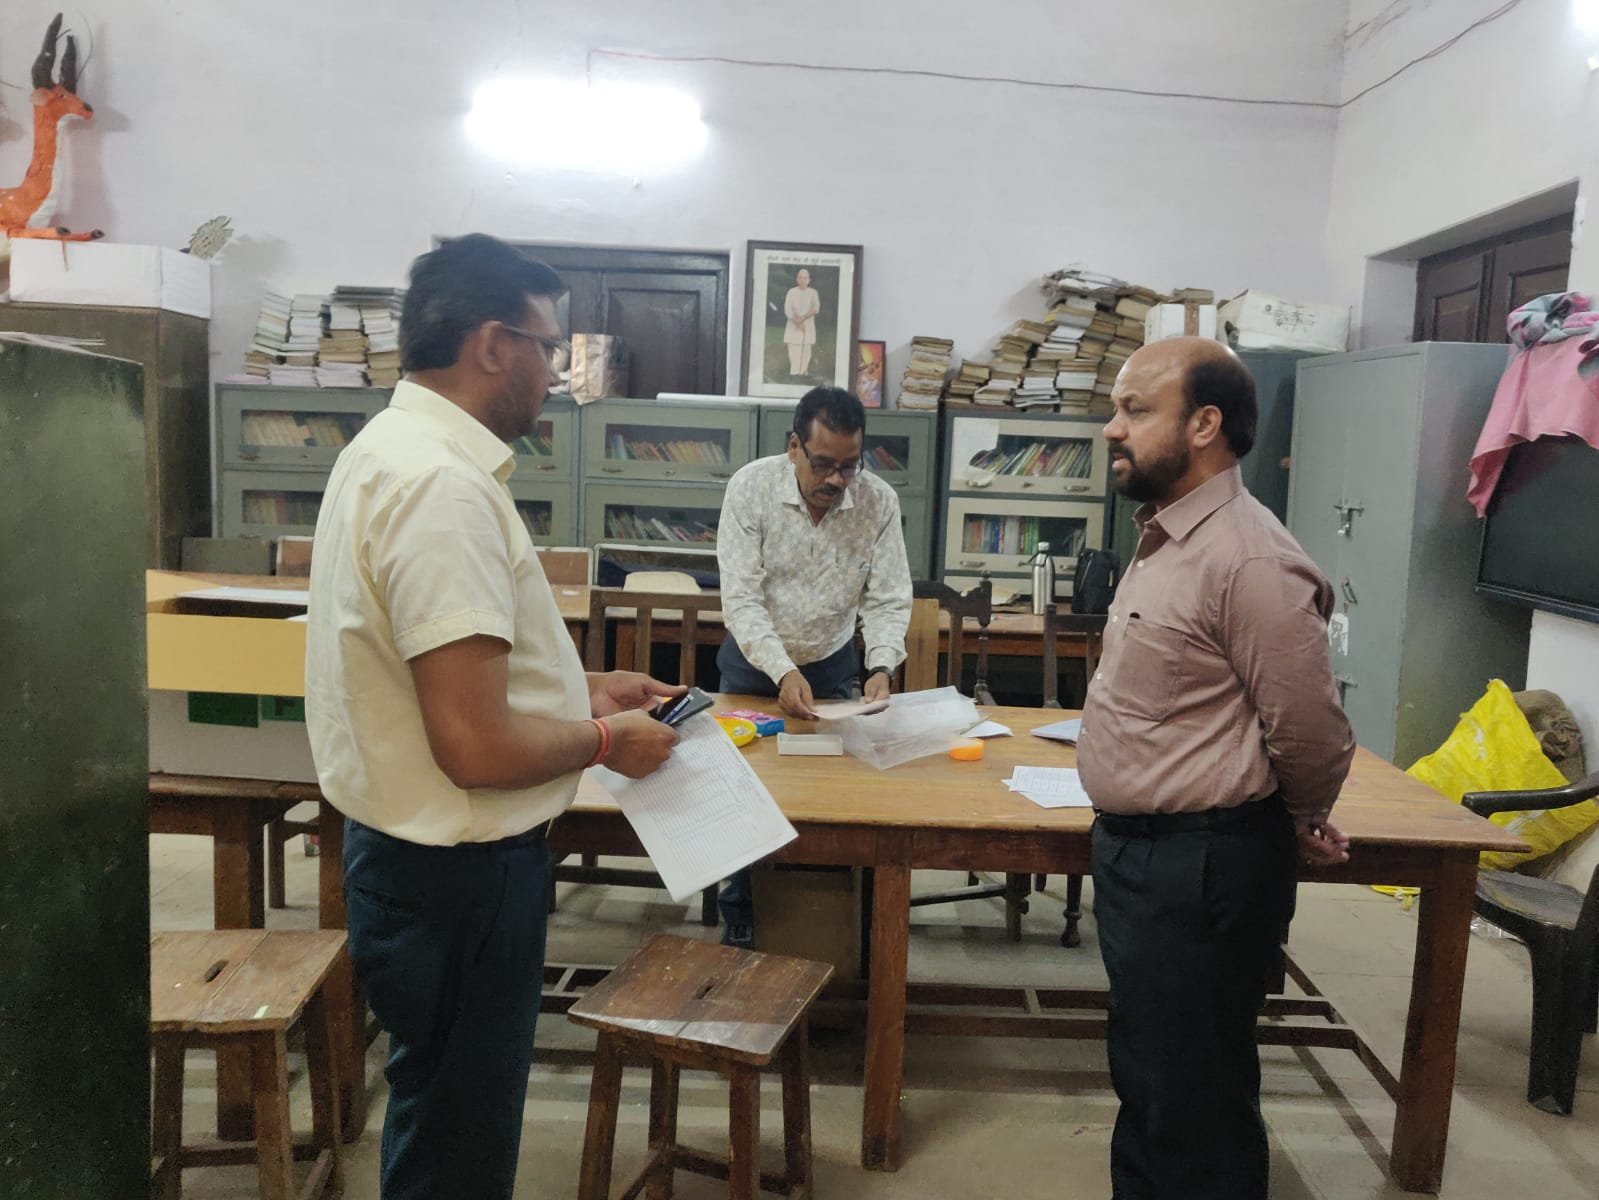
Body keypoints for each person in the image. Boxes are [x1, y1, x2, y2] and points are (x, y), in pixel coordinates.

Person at [304, 233, 683, 1200]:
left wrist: (581, 687)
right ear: (490, 344)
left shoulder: (389, 450)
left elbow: (430, 671)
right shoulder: (441, 488)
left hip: (409, 864)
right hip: (458, 880)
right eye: (547, 347)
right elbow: (472, 743)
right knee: (459, 1141)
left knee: (438, 1108)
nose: (554, 373)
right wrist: (607, 742)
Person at [1074, 336, 1356, 1200]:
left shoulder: (1249, 558)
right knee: (1153, 1084)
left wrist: (1298, 815)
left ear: (1203, 424)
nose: (1110, 429)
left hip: (1197, 864)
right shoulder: (1166, 538)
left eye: (1133, 410)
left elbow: (1309, 728)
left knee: (1195, 1099)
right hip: (1143, 856)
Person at [713, 385, 912, 945]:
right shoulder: (750, 488)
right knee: (746, 797)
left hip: (831, 670)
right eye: (823, 464)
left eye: (849, 466)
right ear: (794, 446)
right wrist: (780, 670)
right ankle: (742, 922)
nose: (835, 480)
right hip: (752, 672)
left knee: (833, 801)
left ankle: (833, 924)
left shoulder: (877, 501)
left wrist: (880, 666)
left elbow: (889, 596)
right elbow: (742, 600)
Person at [782, 267, 821, 377]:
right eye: (800, 278)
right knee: (793, 347)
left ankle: (803, 371)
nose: (803, 280)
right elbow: (787, 309)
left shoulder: (813, 292)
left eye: (805, 278)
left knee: (806, 348)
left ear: (809, 280)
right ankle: (794, 372)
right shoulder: (791, 292)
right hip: (793, 324)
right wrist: (797, 322)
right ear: (797, 279)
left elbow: (816, 308)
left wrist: (803, 319)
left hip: (807, 325)